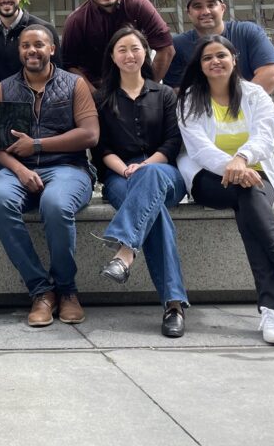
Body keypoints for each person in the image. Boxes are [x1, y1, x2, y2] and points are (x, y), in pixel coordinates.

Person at [177, 35, 274, 345]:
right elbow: (199, 149)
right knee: (248, 194)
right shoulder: (189, 99)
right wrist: (234, 167)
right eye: (207, 58)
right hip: (207, 178)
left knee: (248, 201)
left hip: (255, 173)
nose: (215, 61)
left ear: (234, 59)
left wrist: (242, 160)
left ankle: (271, 311)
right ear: (200, 66)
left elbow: (265, 138)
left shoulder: (255, 95)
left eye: (221, 55)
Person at [0, 25, 98, 326]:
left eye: (38, 44)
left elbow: (90, 135)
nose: (31, 51)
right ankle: (41, 291)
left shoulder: (74, 84)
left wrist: (37, 144)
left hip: (68, 168)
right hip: (18, 170)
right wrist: (21, 170)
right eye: (25, 45)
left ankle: (67, 290)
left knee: (56, 204)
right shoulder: (5, 88)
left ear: (52, 49)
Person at [93, 27, 189, 338]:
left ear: (145, 52)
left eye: (135, 48)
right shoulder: (102, 98)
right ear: (112, 56)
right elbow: (101, 148)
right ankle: (173, 305)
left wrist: (146, 166)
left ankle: (124, 253)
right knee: (156, 216)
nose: (129, 55)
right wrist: (124, 171)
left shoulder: (163, 95)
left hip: (165, 174)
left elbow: (174, 142)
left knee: (151, 181)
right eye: (122, 49)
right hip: (120, 177)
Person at [60, 0, 174, 90]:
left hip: (139, 83)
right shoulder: (77, 20)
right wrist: (95, 97)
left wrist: (148, 89)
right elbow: (69, 66)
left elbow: (166, 49)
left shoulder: (139, 6)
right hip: (97, 90)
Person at [164, 0, 274, 93]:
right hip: (202, 113)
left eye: (211, 5)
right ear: (189, 13)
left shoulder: (247, 32)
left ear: (222, 8)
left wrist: (238, 106)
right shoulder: (178, 46)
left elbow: (272, 75)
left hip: (251, 112)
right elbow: (176, 91)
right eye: (197, 6)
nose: (205, 11)